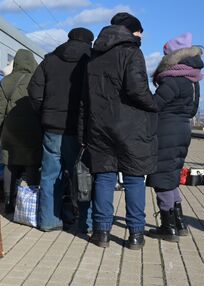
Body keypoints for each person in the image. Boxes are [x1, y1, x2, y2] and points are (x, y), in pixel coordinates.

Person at [85, 13, 158, 249]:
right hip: (131, 127)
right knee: (135, 179)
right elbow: (137, 89)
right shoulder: (132, 52)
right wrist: (154, 104)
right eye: (140, 31)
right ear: (131, 31)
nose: (142, 36)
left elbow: (85, 99)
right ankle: (136, 234)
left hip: (100, 126)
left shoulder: (94, 57)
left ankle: (101, 233)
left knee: (105, 178)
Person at [28, 27, 94, 231]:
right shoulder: (92, 60)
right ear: (89, 42)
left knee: (49, 176)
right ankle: (86, 223)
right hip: (80, 131)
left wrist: (45, 112)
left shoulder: (50, 60)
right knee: (83, 176)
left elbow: (34, 90)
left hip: (52, 129)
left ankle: (49, 221)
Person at [146, 32, 204, 241]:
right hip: (182, 130)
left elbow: (155, 105)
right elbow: (192, 110)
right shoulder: (192, 80)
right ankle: (179, 222)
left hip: (166, 131)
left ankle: (168, 226)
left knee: (162, 178)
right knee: (172, 177)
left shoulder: (173, 79)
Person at [0, 49, 42, 215]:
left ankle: (8, 201)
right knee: (32, 163)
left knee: (9, 163)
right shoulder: (37, 79)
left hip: (10, 127)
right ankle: (30, 201)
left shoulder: (6, 81)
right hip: (33, 127)